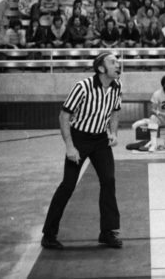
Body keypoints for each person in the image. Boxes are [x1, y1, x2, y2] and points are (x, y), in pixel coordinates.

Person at [41, 53, 124, 250]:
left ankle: (107, 232)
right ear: (101, 68)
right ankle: (49, 234)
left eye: (118, 62)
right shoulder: (83, 87)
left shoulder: (117, 87)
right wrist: (70, 146)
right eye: (113, 62)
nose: (118, 65)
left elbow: (115, 113)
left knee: (108, 181)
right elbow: (64, 116)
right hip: (79, 139)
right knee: (68, 185)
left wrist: (113, 133)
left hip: (101, 140)